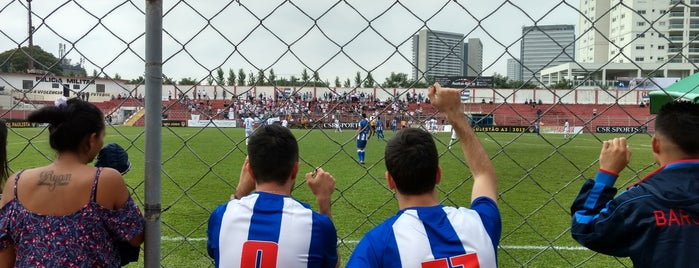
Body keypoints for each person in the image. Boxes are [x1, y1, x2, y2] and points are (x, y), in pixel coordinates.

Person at [346, 83, 501, 267]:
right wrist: (455, 114)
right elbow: (484, 174)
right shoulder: (480, 224)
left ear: (390, 181)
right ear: (438, 174)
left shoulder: (377, 245)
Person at [0, 98, 144, 267]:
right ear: (91, 139)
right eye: (102, 137)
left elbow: (5, 256)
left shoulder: (15, 183)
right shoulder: (105, 180)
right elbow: (136, 237)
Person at [570, 101, 699, 267]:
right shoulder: (638, 199)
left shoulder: (637, 200)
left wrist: (607, 174)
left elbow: (585, 225)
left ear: (655, 144)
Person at [207, 125, 339, 267]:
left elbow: (215, 251)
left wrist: (240, 192)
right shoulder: (317, 225)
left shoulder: (221, 216)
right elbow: (333, 263)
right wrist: (323, 199)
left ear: (249, 171)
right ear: (295, 170)